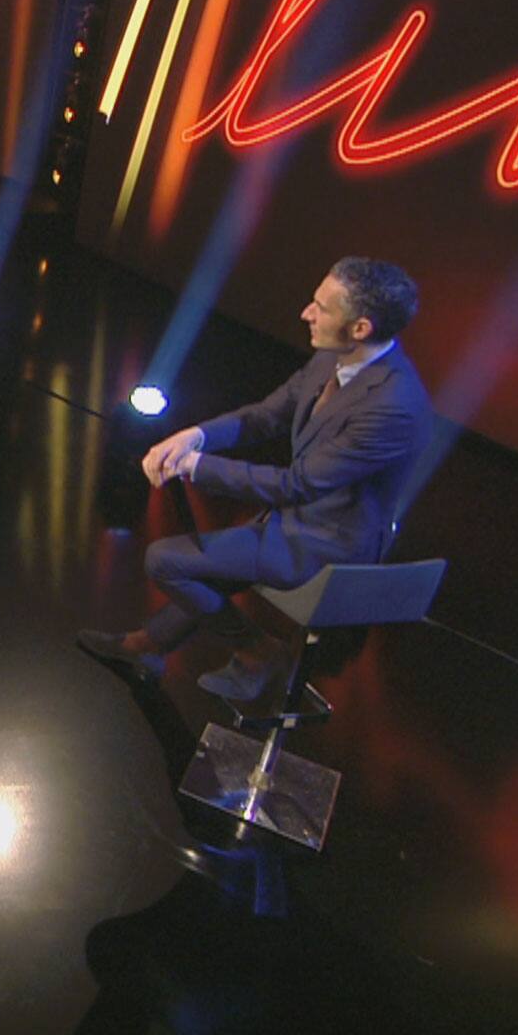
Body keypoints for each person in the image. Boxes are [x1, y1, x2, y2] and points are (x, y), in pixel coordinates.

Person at [79, 257, 434, 702]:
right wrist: (197, 435)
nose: (306, 313)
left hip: (327, 544)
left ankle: (259, 652)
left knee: (165, 561)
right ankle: (144, 647)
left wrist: (195, 466)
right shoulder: (334, 358)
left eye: (322, 308)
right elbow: (266, 416)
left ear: (360, 328)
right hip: (295, 517)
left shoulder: (394, 407)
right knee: (207, 567)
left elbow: (297, 484)